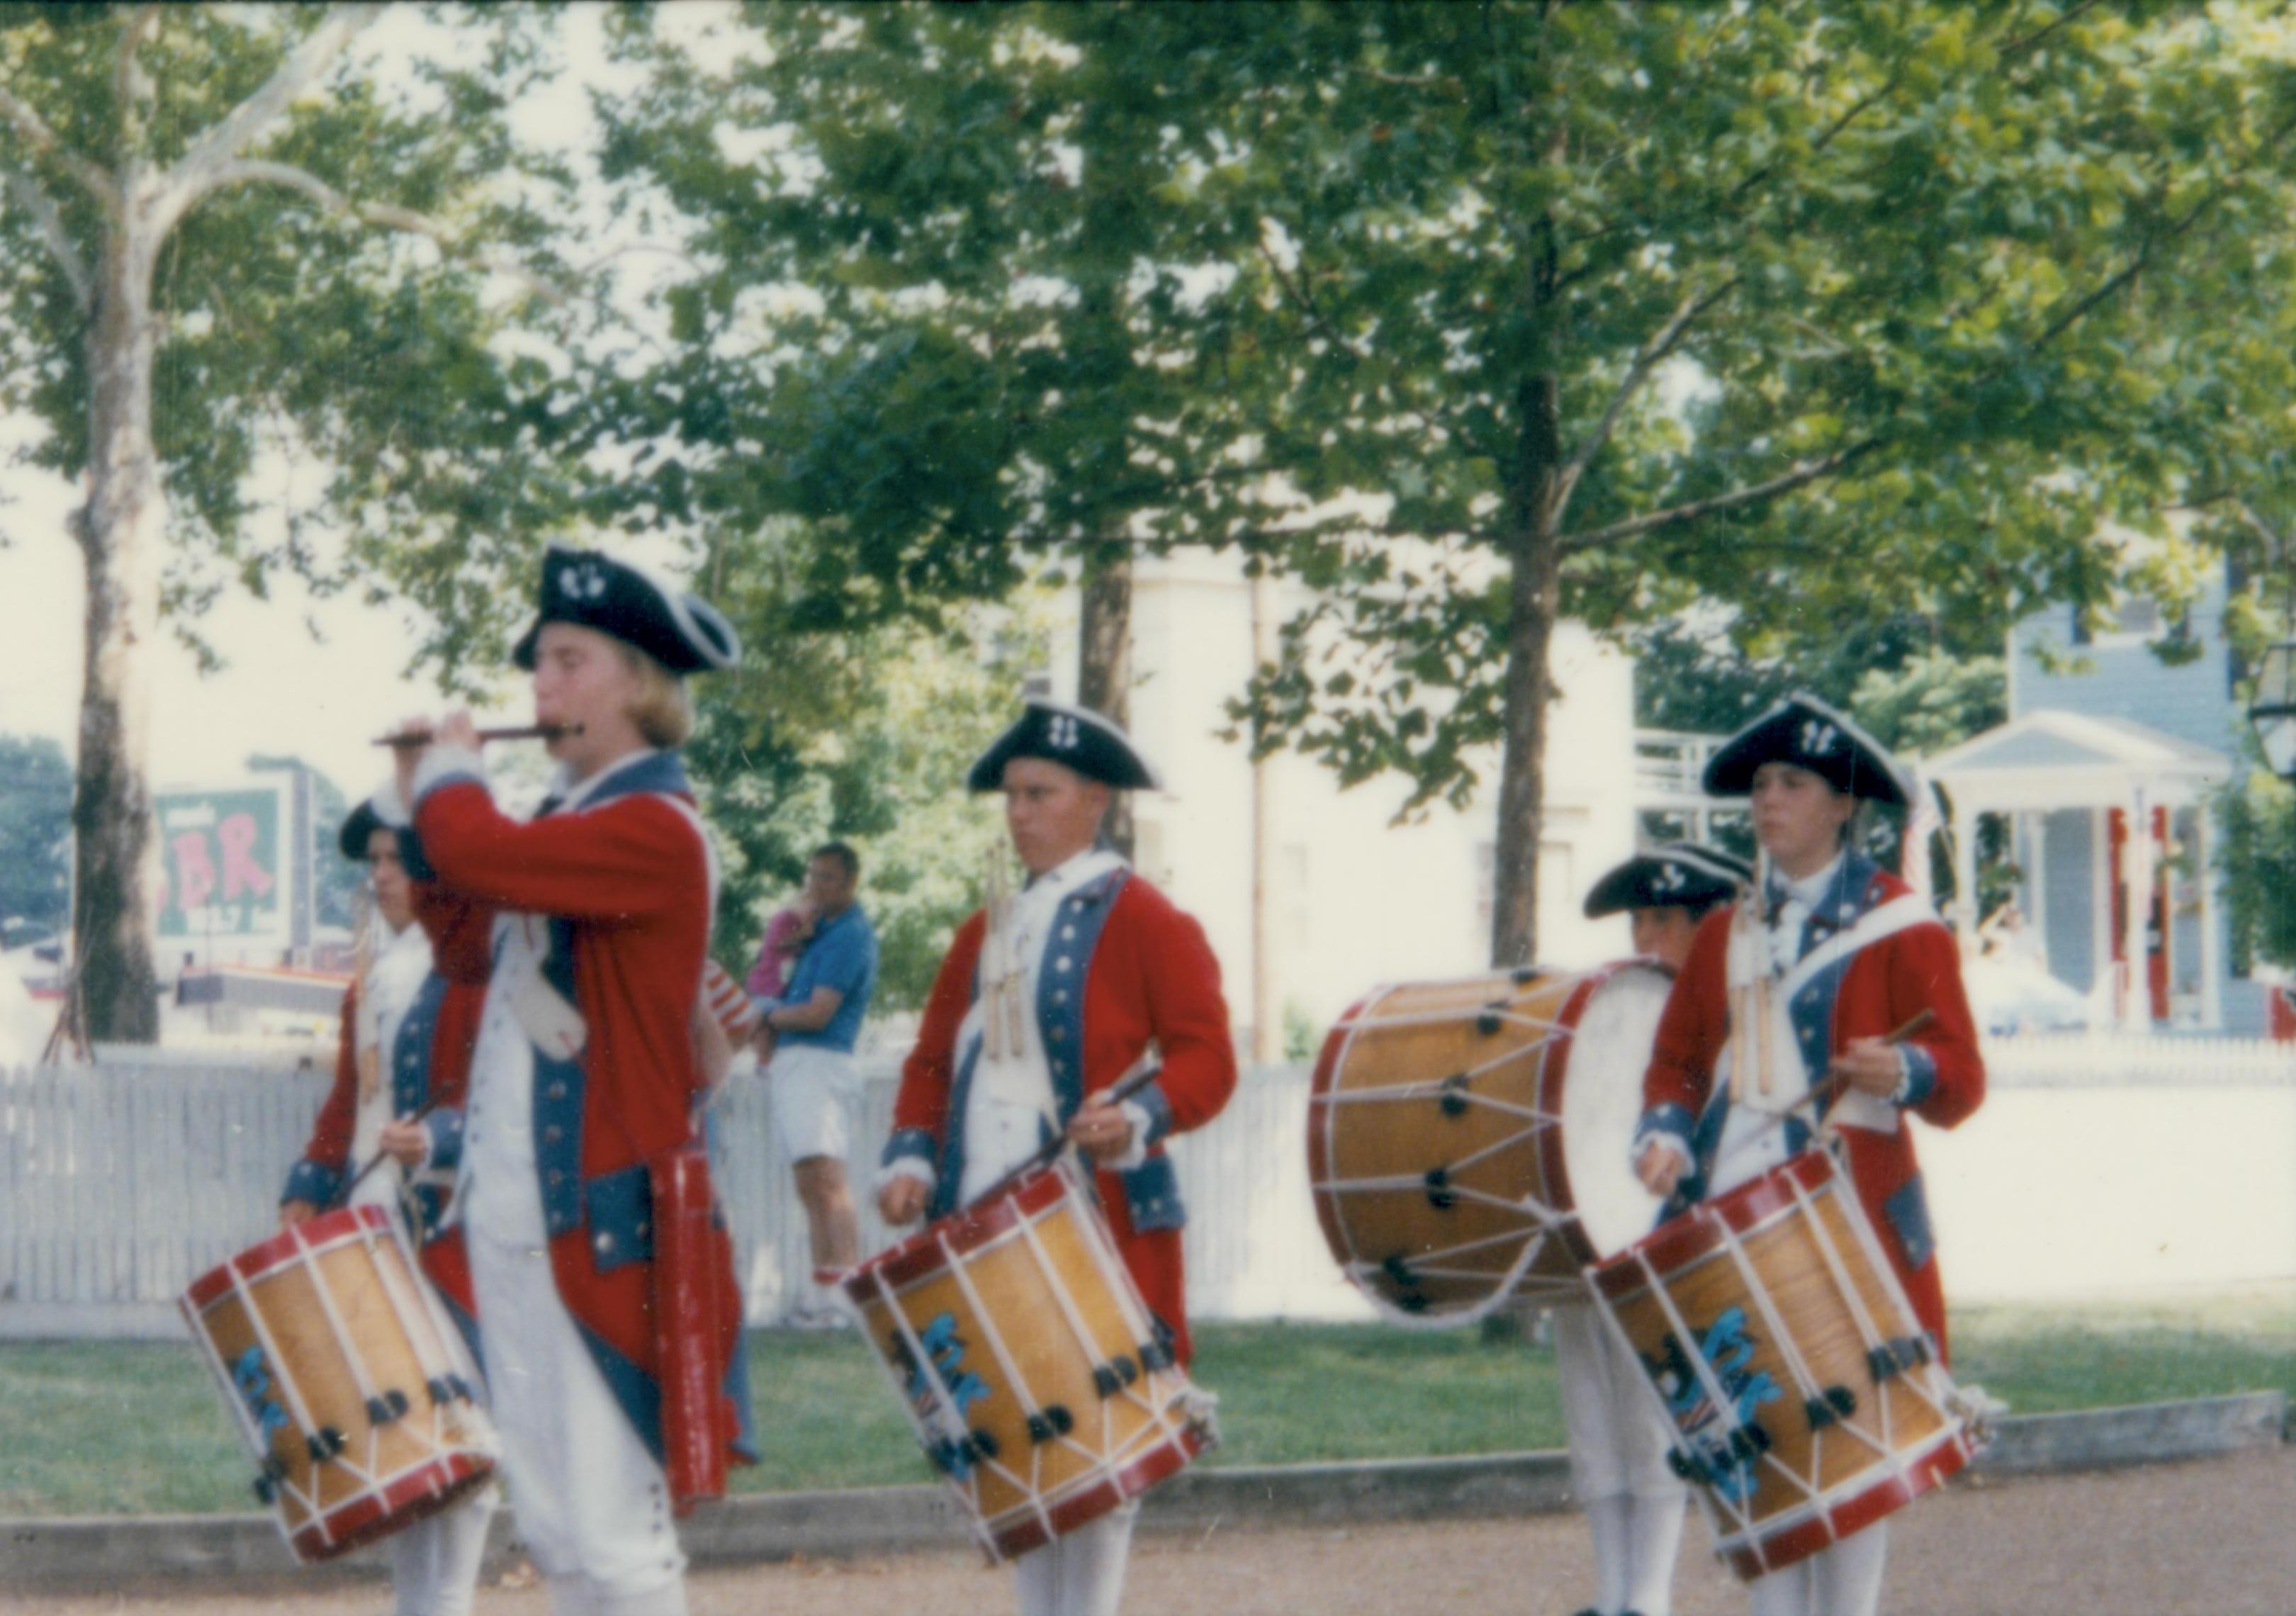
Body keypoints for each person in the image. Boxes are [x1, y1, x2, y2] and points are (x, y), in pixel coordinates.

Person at [378, 540, 753, 1616]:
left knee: (614, 1534)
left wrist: (451, 781)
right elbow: (462, 944)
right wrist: (419, 801)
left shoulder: (655, 828)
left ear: (639, 683)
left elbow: (486, 860)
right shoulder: (566, 825)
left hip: (603, 1217)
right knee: (552, 1530)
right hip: (515, 1209)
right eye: (540, 661)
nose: (540, 685)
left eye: (569, 660)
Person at [877, 697, 1237, 1616]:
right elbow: (929, 1062)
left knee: (1106, 1458)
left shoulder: (1148, 916)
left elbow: (1208, 1057)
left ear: (1095, 802)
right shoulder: (980, 930)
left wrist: (1137, 1114)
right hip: (981, 1223)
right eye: (1011, 796)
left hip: (1103, 1222)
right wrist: (911, 1158)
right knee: (1020, 1452)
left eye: (1040, 793)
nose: (1019, 813)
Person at [1631, 693, 1985, 1616]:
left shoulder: (1900, 924)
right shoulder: (1726, 930)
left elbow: (1963, 1077)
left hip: (1850, 1223)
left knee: (1854, 1450)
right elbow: (1673, 1063)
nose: (1768, 799)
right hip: (1728, 1219)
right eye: (1759, 783)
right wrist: (1664, 1132)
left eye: (1792, 782)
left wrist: (1902, 1067)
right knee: (1757, 1455)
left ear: (1841, 806)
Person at [280, 803, 493, 1616]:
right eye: (373, 859)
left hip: (453, 1225)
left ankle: (452, 1603)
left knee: (463, 1428)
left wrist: (441, 1136)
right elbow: (347, 1099)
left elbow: (498, 1093)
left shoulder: (473, 970)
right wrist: (309, 1180)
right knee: (399, 1431)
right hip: (370, 1224)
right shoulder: (368, 978)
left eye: (395, 859)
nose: (380, 875)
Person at [1557, 841, 1750, 1616]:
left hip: (1663, 1236)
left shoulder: (1724, 1016)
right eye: (1639, 921)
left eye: (1665, 920)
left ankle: (1649, 1597)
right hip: (1589, 1232)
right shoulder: (1605, 1013)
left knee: (1653, 1419)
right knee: (1592, 1424)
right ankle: (1611, 1598)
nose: (1645, 939)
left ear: (1710, 929)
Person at [750, 841, 878, 1326]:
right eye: (813, 876)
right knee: (810, 1184)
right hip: (796, 1064)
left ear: (849, 883)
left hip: (821, 1063)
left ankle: (846, 1298)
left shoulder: (850, 936)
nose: (816, 887)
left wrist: (762, 1016)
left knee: (829, 1181)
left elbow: (817, 1012)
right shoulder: (817, 931)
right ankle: (821, 1295)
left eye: (827, 878)